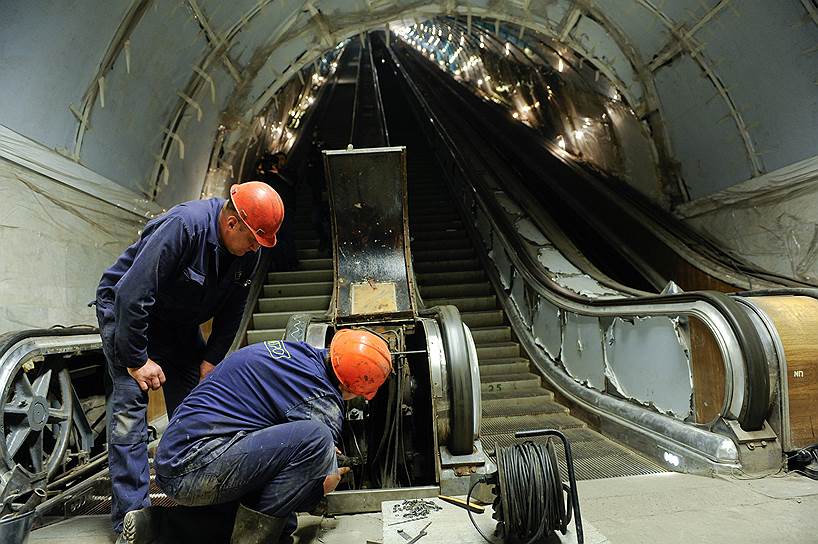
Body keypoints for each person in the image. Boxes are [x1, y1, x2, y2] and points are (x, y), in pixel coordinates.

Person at [95, 182, 285, 539]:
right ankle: (132, 520)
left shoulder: (249, 251)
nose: (254, 250)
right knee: (127, 417)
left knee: (198, 410)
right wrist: (136, 360)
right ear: (232, 225)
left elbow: (234, 310)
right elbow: (132, 295)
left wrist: (211, 361)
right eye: (252, 241)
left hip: (178, 325)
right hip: (128, 318)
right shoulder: (184, 227)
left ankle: (202, 499)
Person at [119, 330, 392, 544]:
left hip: (175, 456)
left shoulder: (298, 355)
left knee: (277, 508)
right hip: (195, 466)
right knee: (315, 444)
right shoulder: (321, 399)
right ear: (349, 386)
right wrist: (320, 487)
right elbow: (321, 474)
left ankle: (156, 526)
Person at [257, 151, 299, 270]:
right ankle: (280, 265)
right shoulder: (267, 176)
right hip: (272, 212)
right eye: (277, 160)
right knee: (277, 239)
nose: (279, 162)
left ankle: (292, 263)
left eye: (282, 159)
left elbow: (292, 183)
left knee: (288, 237)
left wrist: (278, 173)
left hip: (287, 210)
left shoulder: (288, 173)